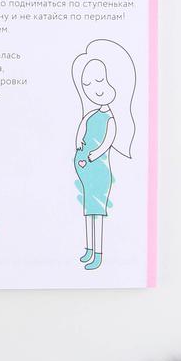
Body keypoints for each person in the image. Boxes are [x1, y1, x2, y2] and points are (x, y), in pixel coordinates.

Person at [72, 40, 135, 270]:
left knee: (97, 212)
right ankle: (89, 249)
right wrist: (79, 149)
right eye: (88, 84)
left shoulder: (110, 119)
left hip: (98, 171)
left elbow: (106, 143)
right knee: (88, 212)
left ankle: (98, 253)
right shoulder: (90, 115)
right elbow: (81, 133)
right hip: (86, 171)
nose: (95, 89)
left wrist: (91, 157)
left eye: (100, 81)